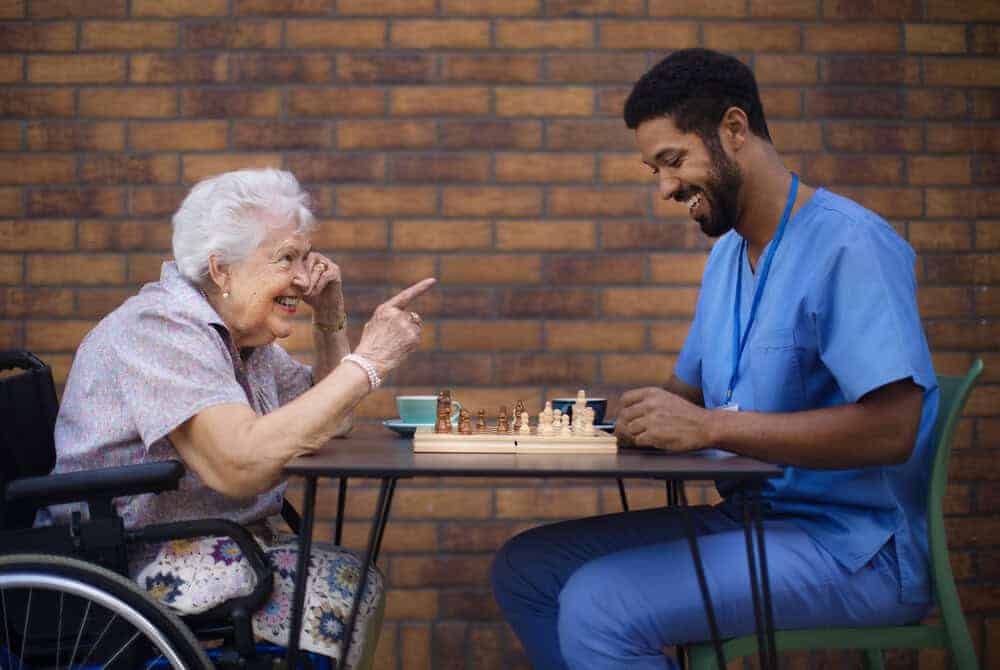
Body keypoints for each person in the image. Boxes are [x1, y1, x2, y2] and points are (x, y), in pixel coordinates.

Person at [491, 48, 938, 669]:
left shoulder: (851, 245)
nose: (667, 188)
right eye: (655, 171)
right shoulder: (728, 256)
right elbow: (687, 397)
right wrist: (626, 420)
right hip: (752, 521)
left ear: (733, 129)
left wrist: (711, 427)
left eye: (673, 161)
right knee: (528, 568)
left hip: (856, 550)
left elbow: (894, 429)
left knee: (602, 604)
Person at [52, 168, 435, 665]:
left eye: (305, 257)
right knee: (337, 583)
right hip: (129, 556)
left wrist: (329, 316)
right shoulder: (161, 329)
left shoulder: (237, 336)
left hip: (206, 539)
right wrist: (371, 362)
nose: (304, 276)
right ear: (221, 270)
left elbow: (328, 415)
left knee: (353, 575)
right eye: (285, 259)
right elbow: (236, 467)